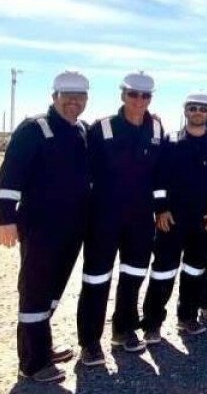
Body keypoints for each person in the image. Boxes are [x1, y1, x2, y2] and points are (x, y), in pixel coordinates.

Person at [0, 70, 91, 383]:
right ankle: (33, 362)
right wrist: (5, 217)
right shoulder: (34, 129)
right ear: (54, 97)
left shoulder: (82, 131)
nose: (74, 102)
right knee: (35, 291)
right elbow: (10, 174)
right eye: (67, 96)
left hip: (72, 228)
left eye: (80, 96)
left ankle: (42, 346)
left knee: (52, 290)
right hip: (40, 227)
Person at [77, 71, 164, 365]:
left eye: (145, 95)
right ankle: (90, 342)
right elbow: (82, 171)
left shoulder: (156, 129)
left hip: (140, 217)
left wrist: (162, 207)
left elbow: (161, 173)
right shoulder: (102, 128)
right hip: (104, 216)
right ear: (122, 94)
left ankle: (124, 330)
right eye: (133, 94)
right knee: (97, 278)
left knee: (133, 274)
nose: (139, 100)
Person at [142, 92, 207, 340]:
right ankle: (152, 324)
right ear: (185, 111)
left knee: (195, 270)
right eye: (193, 108)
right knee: (163, 271)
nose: (198, 112)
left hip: (204, 220)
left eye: (203, 108)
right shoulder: (170, 142)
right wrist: (161, 208)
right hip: (173, 219)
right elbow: (158, 178)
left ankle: (187, 317)